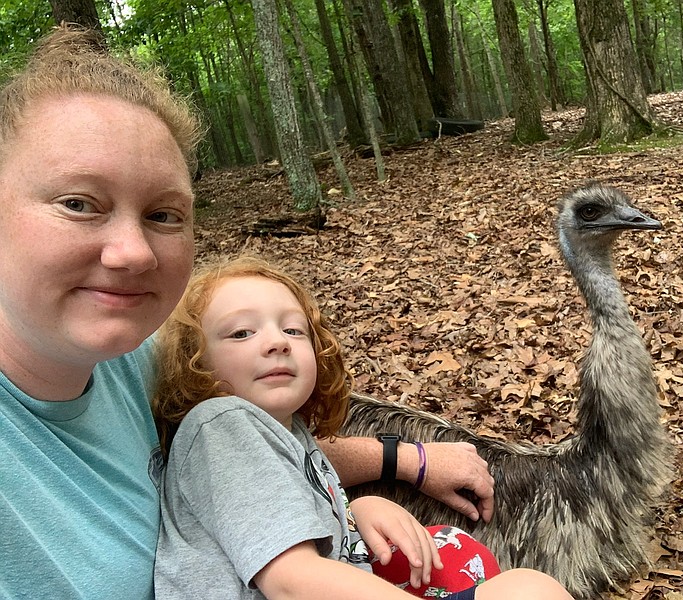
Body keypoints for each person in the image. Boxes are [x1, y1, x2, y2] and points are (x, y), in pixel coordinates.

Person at [0, 25, 495, 599]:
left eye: (164, 215)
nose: (133, 252)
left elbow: (254, 451)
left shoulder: (138, 357)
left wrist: (396, 467)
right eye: (78, 203)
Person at [152, 257, 574, 600]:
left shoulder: (285, 432)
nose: (277, 341)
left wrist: (352, 512)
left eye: (293, 329)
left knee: (469, 559)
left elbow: (281, 517)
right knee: (532, 591)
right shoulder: (223, 426)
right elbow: (292, 581)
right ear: (194, 364)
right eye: (241, 332)